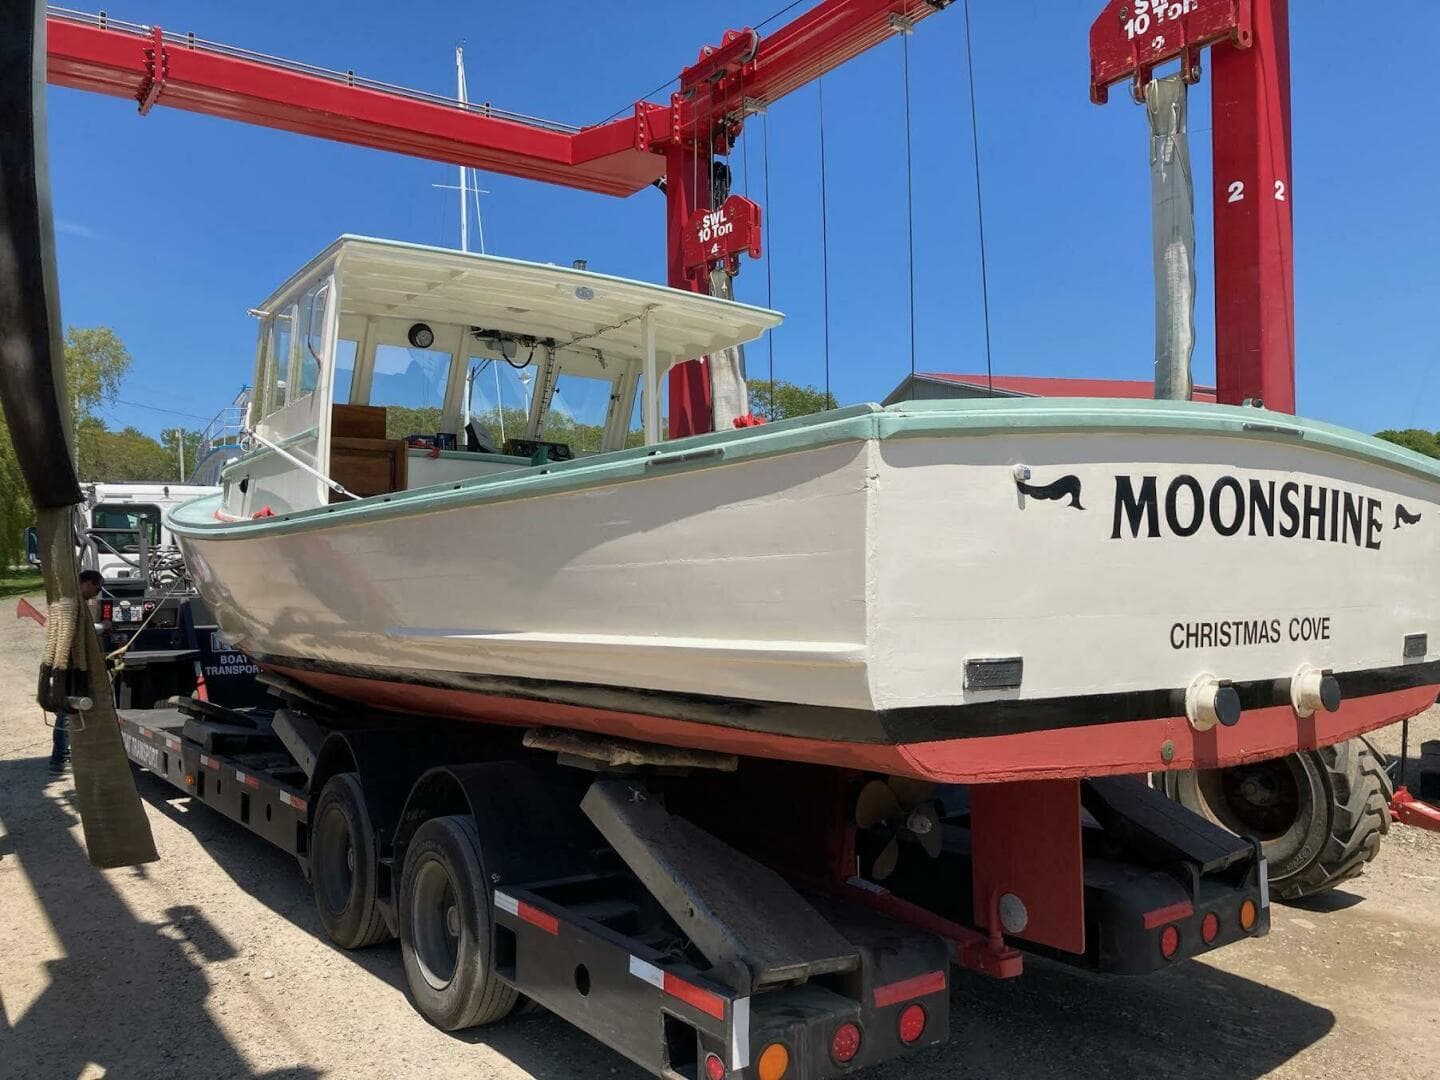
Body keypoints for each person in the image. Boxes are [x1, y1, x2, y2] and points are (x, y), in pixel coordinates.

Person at [49, 569, 104, 774]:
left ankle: (63, 757)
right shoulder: (72, 604)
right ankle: (60, 760)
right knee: (66, 712)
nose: (96, 594)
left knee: (67, 711)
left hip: (66, 664)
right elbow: (79, 630)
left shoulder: (69, 600)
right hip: (68, 666)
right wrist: (103, 627)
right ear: (88, 583)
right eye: (97, 589)